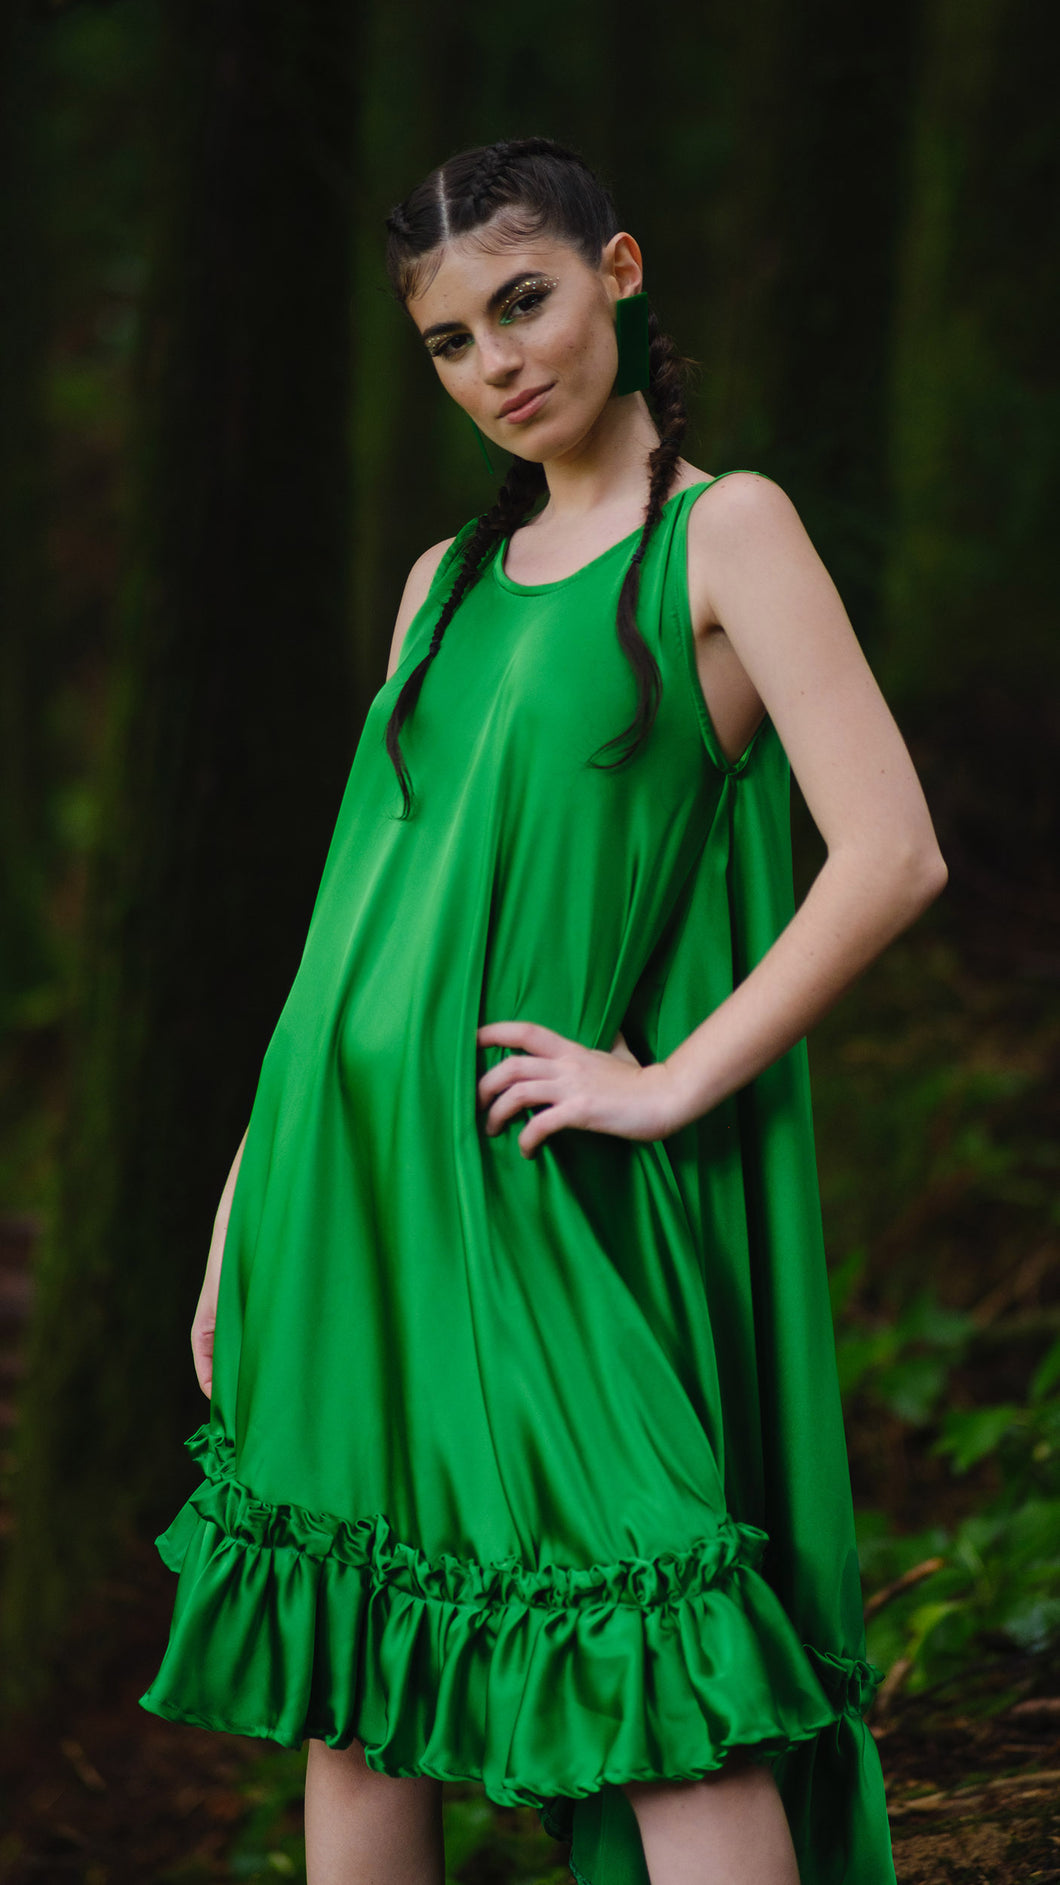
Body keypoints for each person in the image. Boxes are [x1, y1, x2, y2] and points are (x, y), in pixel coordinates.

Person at [139, 135, 947, 1885]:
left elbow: (891, 852)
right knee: (359, 1668)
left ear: (621, 272)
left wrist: (676, 1083)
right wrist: (242, 1204)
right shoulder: (440, 587)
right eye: (452, 340)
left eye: (527, 301)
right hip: (341, 1195)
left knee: (664, 1670)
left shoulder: (726, 533)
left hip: (531, 1191)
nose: (500, 363)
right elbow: (355, 922)